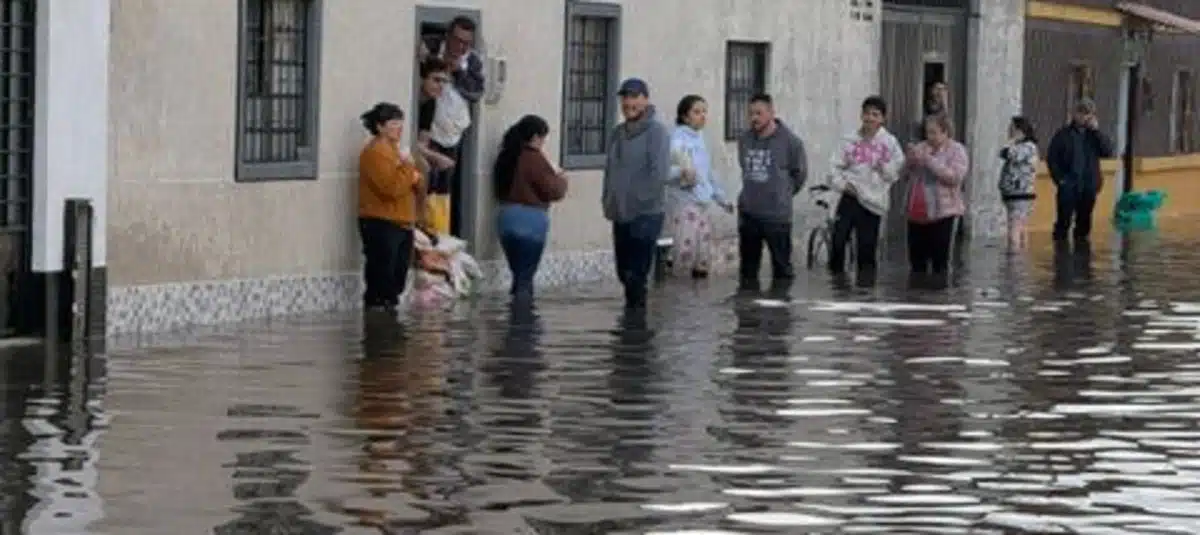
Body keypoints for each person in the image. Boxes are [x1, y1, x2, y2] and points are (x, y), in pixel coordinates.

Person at [602, 78, 671, 309]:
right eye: (625, 97)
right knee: (623, 272)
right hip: (620, 212)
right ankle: (631, 325)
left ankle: (636, 331)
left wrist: (637, 202)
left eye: (634, 97)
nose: (629, 102)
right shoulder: (617, 133)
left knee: (636, 273)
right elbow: (610, 170)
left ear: (645, 100)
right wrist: (608, 200)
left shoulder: (657, 133)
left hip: (646, 213)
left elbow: (658, 174)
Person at [827, 95, 905, 279]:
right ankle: (837, 287)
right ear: (861, 115)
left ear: (882, 119)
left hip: (873, 202)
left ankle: (866, 291)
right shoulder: (849, 140)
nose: (870, 118)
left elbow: (895, 173)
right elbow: (833, 168)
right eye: (867, 113)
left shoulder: (889, 143)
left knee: (867, 248)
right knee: (838, 242)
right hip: (849, 196)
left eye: (875, 114)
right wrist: (843, 185)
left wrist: (883, 166)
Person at [357, 102, 425, 313]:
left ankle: (387, 321)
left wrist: (411, 173)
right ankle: (378, 322)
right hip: (381, 222)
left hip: (402, 222)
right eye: (394, 123)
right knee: (382, 278)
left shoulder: (396, 152)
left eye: (400, 123)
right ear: (380, 127)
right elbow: (391, 187)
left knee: (398, 277)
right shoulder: (375, 152)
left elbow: (417, 181)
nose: (399, 128)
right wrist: (407, 169)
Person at [736, 93, 807, 289]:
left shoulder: (790, 142)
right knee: (748, 271)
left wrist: (782, 193)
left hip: (777, 216)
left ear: (771, 113)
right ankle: (749, 314)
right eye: (750, 114)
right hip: (749, 213)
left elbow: (799, 174)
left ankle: (780, 313)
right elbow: (744, 167)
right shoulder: (744, 139)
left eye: (759, 113)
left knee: (782, 269)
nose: (754, 118)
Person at [494, 115, 568, 300]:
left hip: (506, 219)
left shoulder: (505, 156)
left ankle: (515, 319)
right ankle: (522, 321)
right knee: (525, 278)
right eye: (543, 138)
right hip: (531, 222)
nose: (543, 143)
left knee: (517, 274)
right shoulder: (534, 159)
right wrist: (562, 179)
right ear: (535, 137)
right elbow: (553, 191)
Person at [666, 94, 732, 279]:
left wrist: (720, 198)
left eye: (704, 111)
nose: (702, 116)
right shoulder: (676, 139)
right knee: (685, 252)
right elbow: (664, 172)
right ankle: (680, 298)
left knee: (702, 255)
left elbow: (708, 172)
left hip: (702, 202)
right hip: (685, 203)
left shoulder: (700, 138)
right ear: (685, 116)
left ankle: (697, 301)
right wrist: (681, 172)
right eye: (697, 112)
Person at [903, 114, 969, 279]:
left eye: (934, 133)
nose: (929, 137)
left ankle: (940, 295)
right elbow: (904, 174)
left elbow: (955, 177)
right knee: (917, 262)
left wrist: (929, 161)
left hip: (943, 212)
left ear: (945, 132)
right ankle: (917, 295)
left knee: (940, 260)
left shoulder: (957, 150)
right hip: (917, 212)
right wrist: (910, 160)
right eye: (927, 133)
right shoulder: (921, 147)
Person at [1046, 98, 1115, 244]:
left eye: (1087, 113)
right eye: (1081, 112)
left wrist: (1096, 131)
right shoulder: (1063, 135)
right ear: (1074, 114)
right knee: (1063, 222)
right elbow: (1052, 159)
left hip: (1088, 185)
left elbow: (1108, 152)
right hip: (1069, 184)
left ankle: (1082, 258)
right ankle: (1061, 256)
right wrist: (1060, 180)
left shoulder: (1094, 136)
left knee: (1084, 223)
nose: (1083, 117)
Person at [414, 57, 460, 235]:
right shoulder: (414, 96)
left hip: (420, 152)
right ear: (423, 78)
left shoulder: (431, 104)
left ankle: (434, 228)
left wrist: (434, 156)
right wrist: (435, 157)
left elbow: (421, 142)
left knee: (438, 172)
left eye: (444, 82)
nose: (440, 86)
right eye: (435, 80)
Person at [419, 16, 485, 103]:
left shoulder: (473, 61)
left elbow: (476, 94)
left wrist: (459, 73)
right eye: (457, 40)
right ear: (447, 36)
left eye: (466, 43)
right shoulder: (430, 45)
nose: (460, 46)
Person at [998, 116, 1039, 251]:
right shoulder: (1025, 147)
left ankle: (1014, 259)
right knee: (1020, 226)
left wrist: (1011, 141)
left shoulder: (1027, 147)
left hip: (1020, 193)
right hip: (1015, 193)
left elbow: (1006, 153)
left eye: (1012, 129)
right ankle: (1020, 256)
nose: (1009, 131)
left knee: (1015, 227)